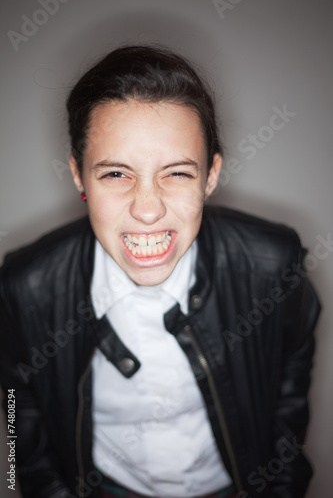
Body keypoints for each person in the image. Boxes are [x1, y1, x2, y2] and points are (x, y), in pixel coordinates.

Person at [0, 44, 321, 498]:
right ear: (78, 176)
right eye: (115, 174)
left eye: (176, 173)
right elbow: (18, 429)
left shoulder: (273, 264)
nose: (147, 209)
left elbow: (290, 391)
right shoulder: (22, 289)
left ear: (210, 176)